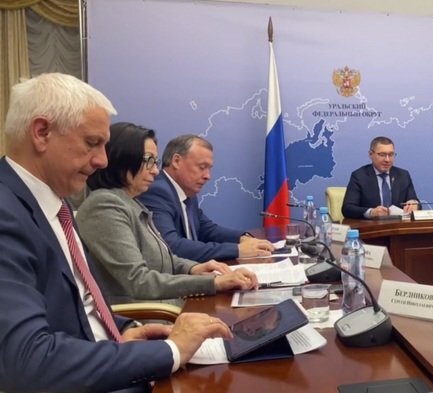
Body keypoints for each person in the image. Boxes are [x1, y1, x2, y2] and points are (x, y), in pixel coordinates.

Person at [0, 73, 234, 393]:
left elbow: (81, 305)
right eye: (92, 143)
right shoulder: (7, 213)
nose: (102, 160)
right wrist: (170, 351)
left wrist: (125, 329)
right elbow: (28, 360)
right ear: (42, 133)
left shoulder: (56, 205)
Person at [76, 122, 259, 306]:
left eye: (155, 162)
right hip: (148, 315)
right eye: (148, 161)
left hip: (166, 306)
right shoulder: (105, 206)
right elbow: (139, 281)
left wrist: (193, 268)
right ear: (122, 158)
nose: (155, 170)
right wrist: (213, 282)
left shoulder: (131, 202)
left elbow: (163, 257)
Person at [138, 134, 274, 262]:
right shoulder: (157, 191)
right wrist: (237, 250)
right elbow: (170, 246)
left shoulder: (187, 191)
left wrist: (243, 238)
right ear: (176, 161)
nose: (207, 176)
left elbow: (207, 229)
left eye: (209, 169)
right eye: (202, 167)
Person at [341, 136, 420, 219]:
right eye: (382, 155)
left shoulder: (403, 175)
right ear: (370, 154)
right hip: (372, 225)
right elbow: (347, 208)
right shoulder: (359, 176)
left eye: (391, 155)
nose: (387, 160)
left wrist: (414, 204)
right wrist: (371, 212)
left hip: (399, 224)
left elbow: (415, 202)